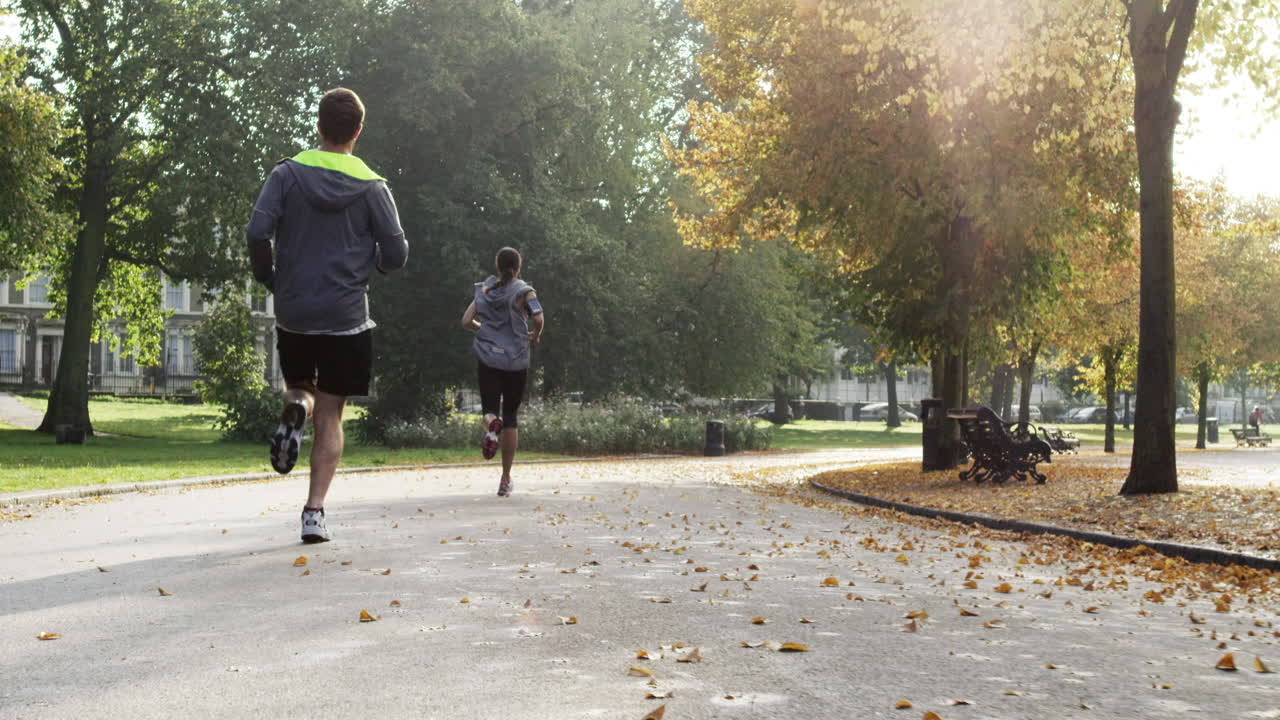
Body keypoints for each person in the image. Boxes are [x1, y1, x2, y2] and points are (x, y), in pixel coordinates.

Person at [245, 87, 407, 543]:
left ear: (318, 126)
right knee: (332, 413)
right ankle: (313, 513)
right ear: (358, 130)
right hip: (346, 315)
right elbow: (396, 254)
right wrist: (374, 261)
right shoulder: (373, 187)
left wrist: (271, 278)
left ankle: (296, 407)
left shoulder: (286, 174)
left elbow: (257, 231)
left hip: (295, 309)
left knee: (301, 387)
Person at [460, 247, 544, 497]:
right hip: (516, 360)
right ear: (518, 267)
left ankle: (491, 424)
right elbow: (538, 318)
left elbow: (466, 321)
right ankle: (505, 479)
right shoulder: (525, 291)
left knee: (489, 410)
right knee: (511, 418)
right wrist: (535, 336)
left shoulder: (486, 290)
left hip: (488, 358)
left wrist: (484, 331)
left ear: (497, 265)